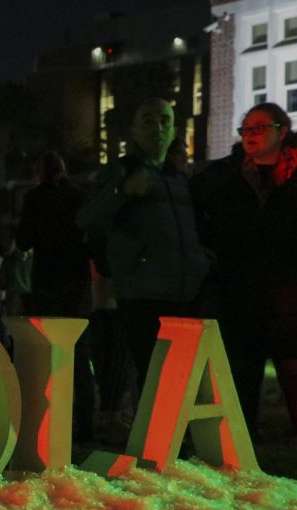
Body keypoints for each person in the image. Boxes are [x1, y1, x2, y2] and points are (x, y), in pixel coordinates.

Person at [191, 103, 297, 492]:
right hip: (241, 302)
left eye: (259, 126)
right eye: (244, 127)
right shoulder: (222, 178)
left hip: (295, 301)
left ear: (282, 131)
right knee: (239, 389)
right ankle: (242, 475)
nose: (249, 134)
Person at [77, 98, 211, 399]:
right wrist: (121, 191)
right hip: (143, 295)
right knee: (155, 381)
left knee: (183, 381)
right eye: (148, 120)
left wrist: (204, 262)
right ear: (134, 131)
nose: (158, 128)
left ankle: (176, 442)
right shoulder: (120, 172)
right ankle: (156, 444)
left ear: (174, 128)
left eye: (165, 121)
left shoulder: (179, 178)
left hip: (185, 294)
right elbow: (88, 219)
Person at [16, 150, 95, 441]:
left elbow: (23, 240)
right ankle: (85, 425)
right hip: (77, 282)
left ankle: (50, 423)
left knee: (49, 353)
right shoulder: (80, 197)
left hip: (48, 281)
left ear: (40, 172)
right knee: (80, 353)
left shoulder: (35, 199)